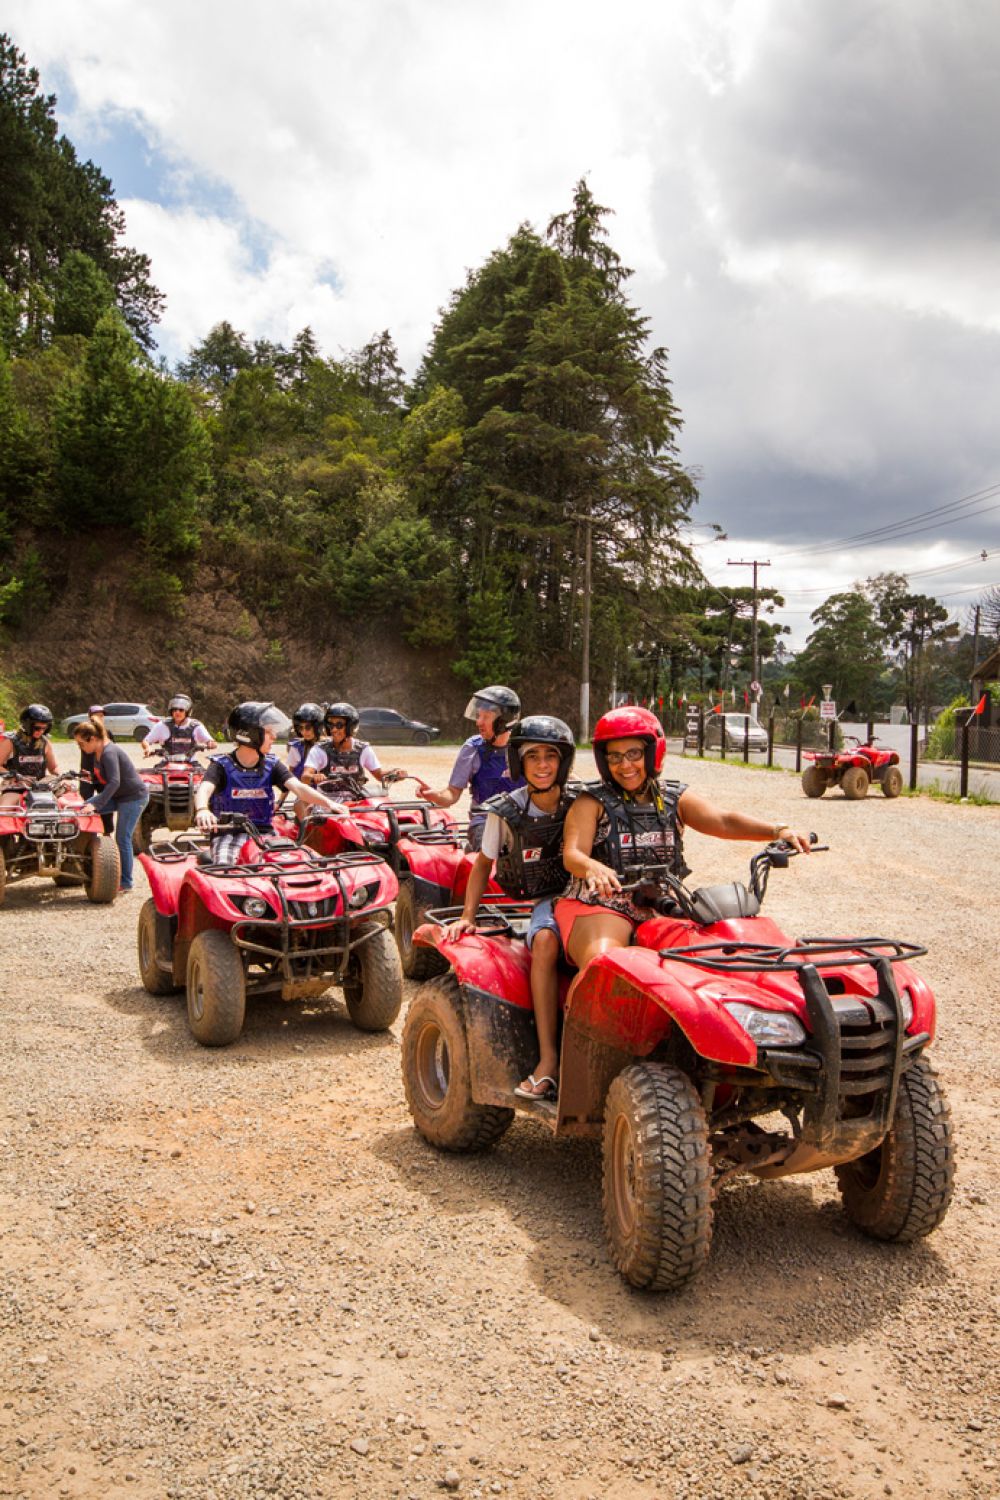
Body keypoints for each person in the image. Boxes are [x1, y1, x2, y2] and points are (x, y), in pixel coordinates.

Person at [556, 706, 812, 1001]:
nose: (624, 765)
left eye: (633, 754)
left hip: (663, 903)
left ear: (652, 753)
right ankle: (577, 1041)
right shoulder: (592, 801)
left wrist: (777, 830)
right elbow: (573, 854)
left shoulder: (673, 797)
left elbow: (724, 821)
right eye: (614, 756)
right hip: (601, 904)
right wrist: (592, 868)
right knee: (604, 965)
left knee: (717, 957)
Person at [448, 715, 578, 1101]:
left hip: (590, 898)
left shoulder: (582, 801)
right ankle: (548, 1060)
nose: (542, 764)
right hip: (550, 898)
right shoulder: (503, 811)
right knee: (544, 944)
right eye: (532, 755)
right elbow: (483, 864)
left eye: (550, 756)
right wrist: (468, 915)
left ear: (563, 761)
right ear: (519, 762)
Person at [194, 701, 346, 864]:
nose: (274, 737)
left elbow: (299, 788)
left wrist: (331, 804)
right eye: (268, 732)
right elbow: (204, 789)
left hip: (265, 834)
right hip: (228, 834)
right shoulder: (221, 765)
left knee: (296, 865)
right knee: (225, 868)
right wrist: (202, 809)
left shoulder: (272, 764)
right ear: (249, 734)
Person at [414, 685, 523, 850]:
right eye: (478, 716)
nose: (479, 722)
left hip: (522, 820)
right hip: (485, 820)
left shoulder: (526, 747)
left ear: (503, 722)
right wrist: (435, 795)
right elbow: (452, 793)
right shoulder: (472, 748)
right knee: (490, 850)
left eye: (486, 717)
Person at [72, 718, 150, 893]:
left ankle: (126, 882)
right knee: (81, 810)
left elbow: (114, 782)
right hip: (119, 796)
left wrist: (97, 803)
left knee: (122, 838)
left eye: (81, 744)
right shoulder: (97, 752)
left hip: (133, 798)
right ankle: (88, 861)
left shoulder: (108, 752)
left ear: (92, 739)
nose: (80, 748)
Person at [302, 702, 405, 799]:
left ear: (350, 727)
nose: (333, 730)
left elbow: (379, 775)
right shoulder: (320, 749)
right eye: (331, 725)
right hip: (328, 803)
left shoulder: (363, 749)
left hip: (357, 802)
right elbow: (305, 776)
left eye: (339, 725)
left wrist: (395, 773)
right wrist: (314, 776)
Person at [0, 705, 59, 785]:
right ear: (26, 725)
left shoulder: (45, 742)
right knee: (8, 798)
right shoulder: (10, 741)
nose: (41, 731)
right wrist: (14, 776)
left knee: (63, 796)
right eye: (37, 728)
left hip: (40, 787)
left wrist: (60, 776)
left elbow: (53, 768)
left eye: (44, 728)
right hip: (15, 786)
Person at [142, 694, 216, 758]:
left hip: (191, 765)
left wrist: (210, 743)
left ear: (187, 712)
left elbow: (211, 742)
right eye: (175, 710)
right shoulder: (162, 725)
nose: (177, 712)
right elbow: (146, 741)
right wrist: (147, 748)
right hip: (167, 765)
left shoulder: (196, 726)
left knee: (206, 774)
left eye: (181, 710)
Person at [79, 707, 115, 834]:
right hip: (87, 771)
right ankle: (87, 832)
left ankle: (107, 831)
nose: (99, 718)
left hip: (102, 771)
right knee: (84, 801)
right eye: (96, 715)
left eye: (101, 715)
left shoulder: (108, 734)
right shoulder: (84, 732)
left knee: (106, 799)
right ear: (89, 716)